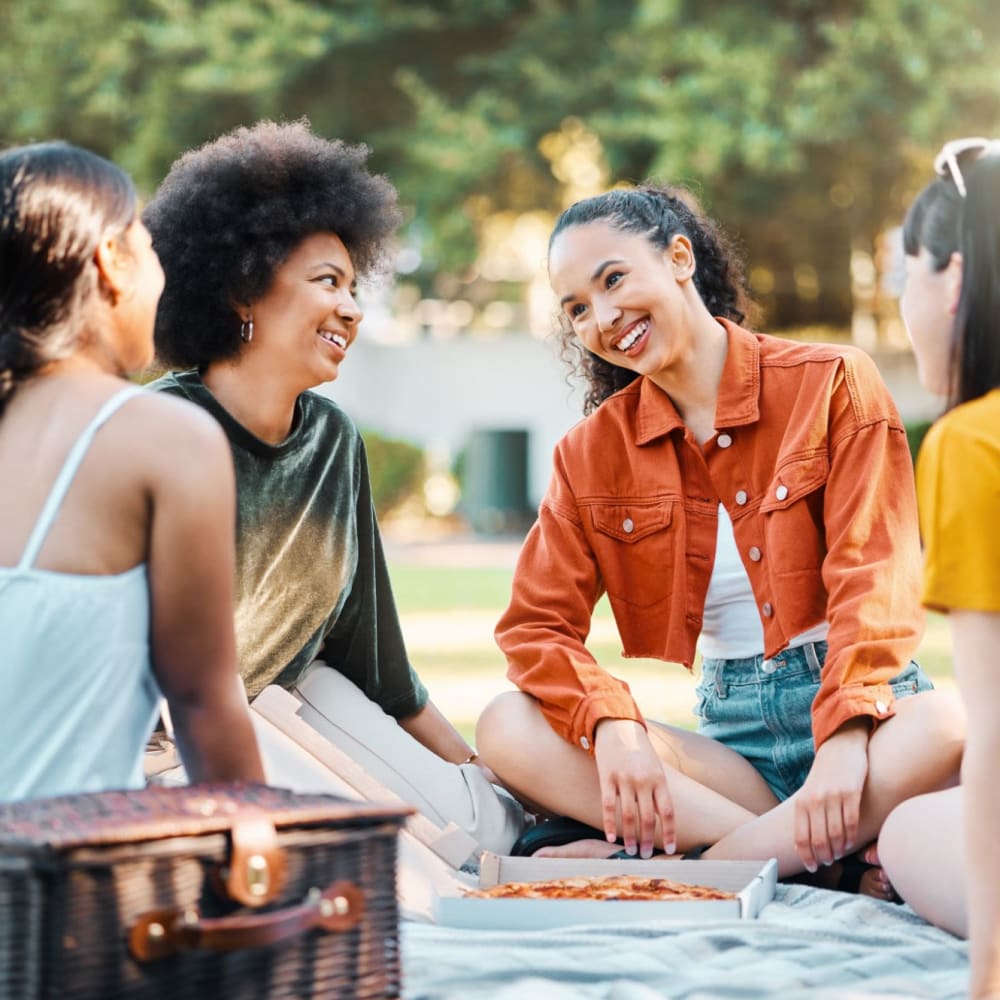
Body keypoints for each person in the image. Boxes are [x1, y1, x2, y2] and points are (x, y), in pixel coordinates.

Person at [476, 183, 965, 891]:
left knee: (946, 723)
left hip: (871, 719)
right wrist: (612, 724)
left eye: (614, 279)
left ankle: (685, 873)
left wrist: (845, 741)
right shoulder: (589, 454)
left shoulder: (833, 382)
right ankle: (823, 858)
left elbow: (875, 573)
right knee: (506, 725)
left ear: (679, 258)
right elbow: (534, 629)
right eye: (577, 307)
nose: (604, 317)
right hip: (735, 758)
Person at [141, 120, 525, 854]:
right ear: (243, 292)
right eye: (327, 283)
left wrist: (483, 780)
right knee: (386, 861)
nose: (351, 309)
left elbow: (375, 663)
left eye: (354, 287)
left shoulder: (333, 439)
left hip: (297, 697)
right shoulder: (156, 427)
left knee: (491, 833)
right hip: (169, 740)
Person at [0, 141, 264, 801]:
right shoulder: (165, 438)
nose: (161, 276)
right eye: (147, 247)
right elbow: (204, 703)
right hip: (64, 890)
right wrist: (266, 868)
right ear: (110, 262)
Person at [876, 139, 1000, 997]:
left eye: (905, 277)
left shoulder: (972, 441)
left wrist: (986, 977)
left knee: (911, 830)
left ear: (952, 279)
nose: (902, 303)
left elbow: (993, 738)